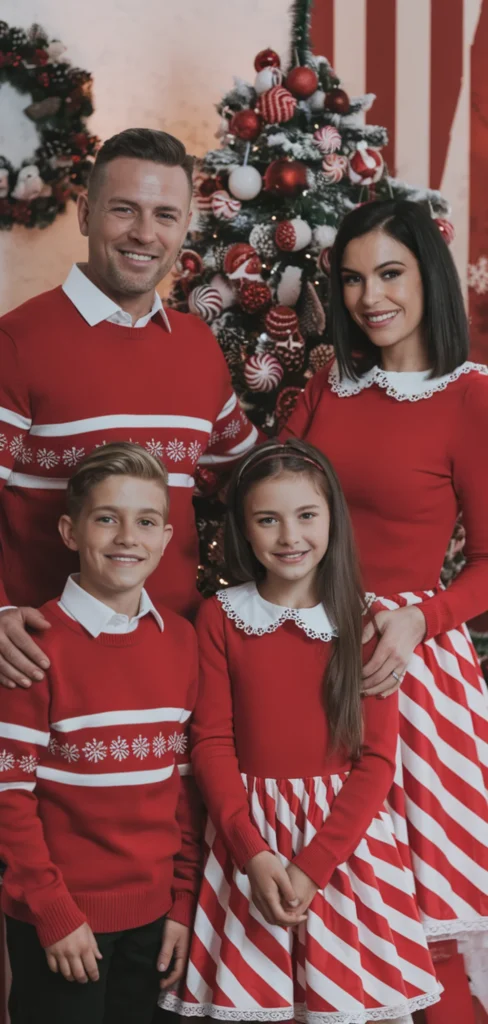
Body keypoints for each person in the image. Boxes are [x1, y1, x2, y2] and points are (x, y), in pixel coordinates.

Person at [281, 199, 488, 1023]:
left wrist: (420, 620)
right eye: (353, 279)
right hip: (301, 654)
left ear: (429, 276)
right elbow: (270, 500)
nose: (371, 298)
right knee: (327, 907)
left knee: (423, 925)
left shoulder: (469, 398)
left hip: (404, 669)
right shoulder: (328, 385)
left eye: (391, 274)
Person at [160, 439, 441, 1024]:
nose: (290, 536)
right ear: (243, 528)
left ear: (333, 518)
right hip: (247, 841)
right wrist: (252, 853)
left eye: (307, 515)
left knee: (352, 1005)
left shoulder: (367, 621)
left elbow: (376, 761)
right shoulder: (220, 618)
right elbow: (211, 743)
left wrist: (314, 865)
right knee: (257, 1004)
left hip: (343, 851)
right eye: (268, 519)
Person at [0, 127, 257, 690]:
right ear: (85, 214)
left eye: (165, 215)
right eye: (124, 210)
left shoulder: (198, 347)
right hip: (42, 672)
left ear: (185, 227)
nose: (144, 233)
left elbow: (249, 478)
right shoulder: (16, 344)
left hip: (177, 665)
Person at [0, 442, 202, 1024]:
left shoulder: (181, 642)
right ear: (71, 531)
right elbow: (8, 796)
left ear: (165, 538)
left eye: (146, 521)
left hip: (155, 920)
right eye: (107, 519)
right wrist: (53, 913)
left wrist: (182, 902)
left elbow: (184, 785)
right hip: (61, 922)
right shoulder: (32, 646)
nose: (127, 538)